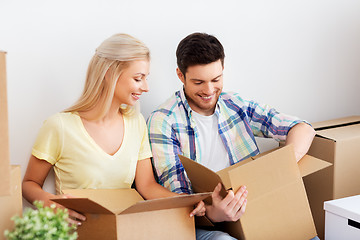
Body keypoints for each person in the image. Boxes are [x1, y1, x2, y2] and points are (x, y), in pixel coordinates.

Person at [22, 33, 205, 226]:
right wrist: (52, 205)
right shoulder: (59, 126)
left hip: (124, 230)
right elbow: (29, 184)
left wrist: (187, 202)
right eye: (138, 78)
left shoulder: (136, 123)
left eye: (146, 78)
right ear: (110, 74)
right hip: (79, 232)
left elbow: (147, 186)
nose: (146, 87)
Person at [147, 32, 317, 240]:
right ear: (180, 76)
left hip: (253, 210)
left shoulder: (235, 104)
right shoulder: (164, 120)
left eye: (216, 79)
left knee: (307, 236)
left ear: (223, 70)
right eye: (198, 82)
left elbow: (302, 128)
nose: (209, 90)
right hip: (200, 224)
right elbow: (178, 200)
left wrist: (283, 166)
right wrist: (213, 214)